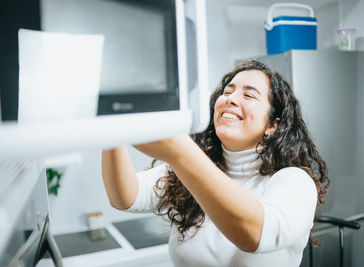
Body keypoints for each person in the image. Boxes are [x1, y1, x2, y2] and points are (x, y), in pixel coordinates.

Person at [102, 59, 330, 267]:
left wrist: (181, 153)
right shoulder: (190, 169)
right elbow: (124, 197)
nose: (230, 98)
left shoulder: (295, 181)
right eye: (227, 91)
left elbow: (255, 235)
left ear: (273, 125)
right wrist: (111, 126)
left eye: (249, 95)